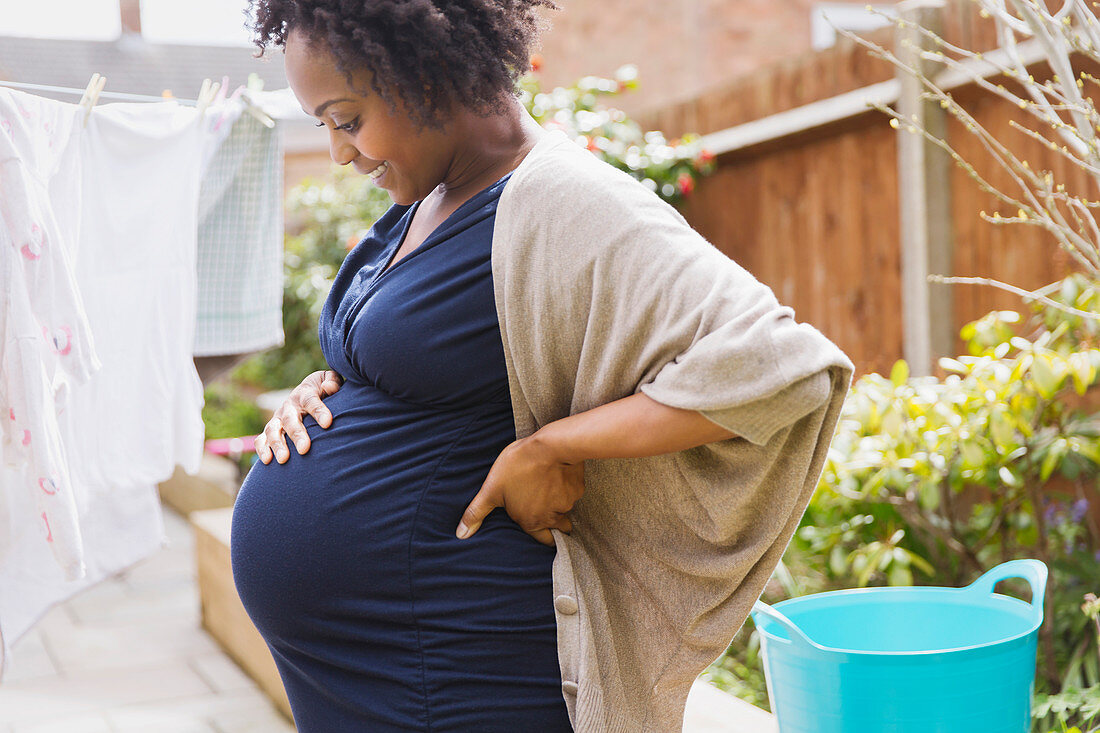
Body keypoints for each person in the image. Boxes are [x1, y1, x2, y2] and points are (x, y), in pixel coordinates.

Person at [232, 1, 855, 731]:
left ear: (423, 73)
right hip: (374, 668)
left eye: (346, 119)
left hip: (457, 666)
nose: (341, 152)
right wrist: (326, 390)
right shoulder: (430, 196)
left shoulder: (564, 197)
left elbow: (783, 365)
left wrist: (555, 445)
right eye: (324, 127)